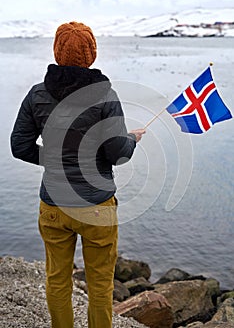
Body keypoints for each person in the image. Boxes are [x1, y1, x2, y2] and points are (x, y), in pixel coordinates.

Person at [10, 21, 145, 328]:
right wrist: (133, 140)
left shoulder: (37, 94)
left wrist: (57, 160)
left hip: (54, 205)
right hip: (97, 206)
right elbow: (118, 154)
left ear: (57, 51)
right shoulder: (105, 95)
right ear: (91, 54)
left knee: (57, 280)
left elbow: (19, 146)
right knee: (100, 285)